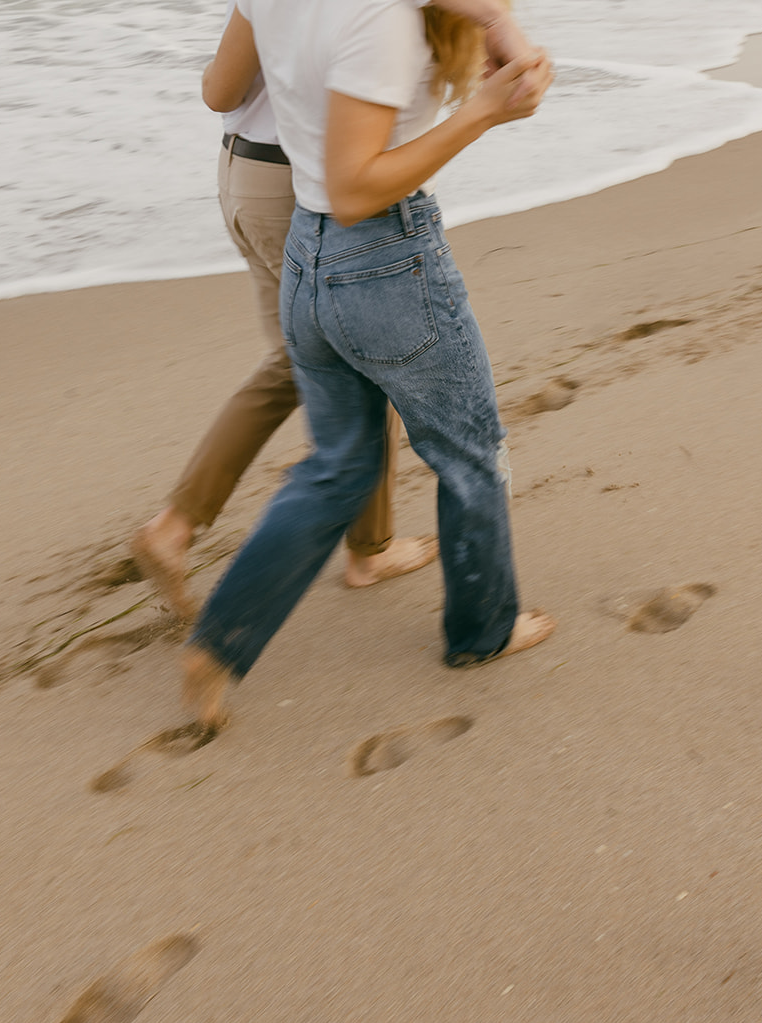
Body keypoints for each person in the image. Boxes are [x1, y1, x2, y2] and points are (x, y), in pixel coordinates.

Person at [175, 0, 556, 733]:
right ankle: (483, 629)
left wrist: (500, 26)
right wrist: (481, 112)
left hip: (306, 257)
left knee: (339, 466)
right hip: (385, 256)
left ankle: (219, 643)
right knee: (472, 453)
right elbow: (357, 190)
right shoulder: (381, 21)